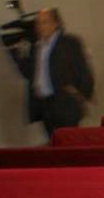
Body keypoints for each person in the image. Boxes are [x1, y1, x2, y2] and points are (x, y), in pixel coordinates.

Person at [9, 7, 94, 138]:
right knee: (53, 144)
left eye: (45, 22)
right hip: (44, 105)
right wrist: (16, 54)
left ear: (55, 24)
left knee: (68, 143)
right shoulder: (36, 46)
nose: (40, 26)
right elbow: (29, 74)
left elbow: (83, 71)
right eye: (37, 23)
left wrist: (82, 97)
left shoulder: (69, 43)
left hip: (65, 103)